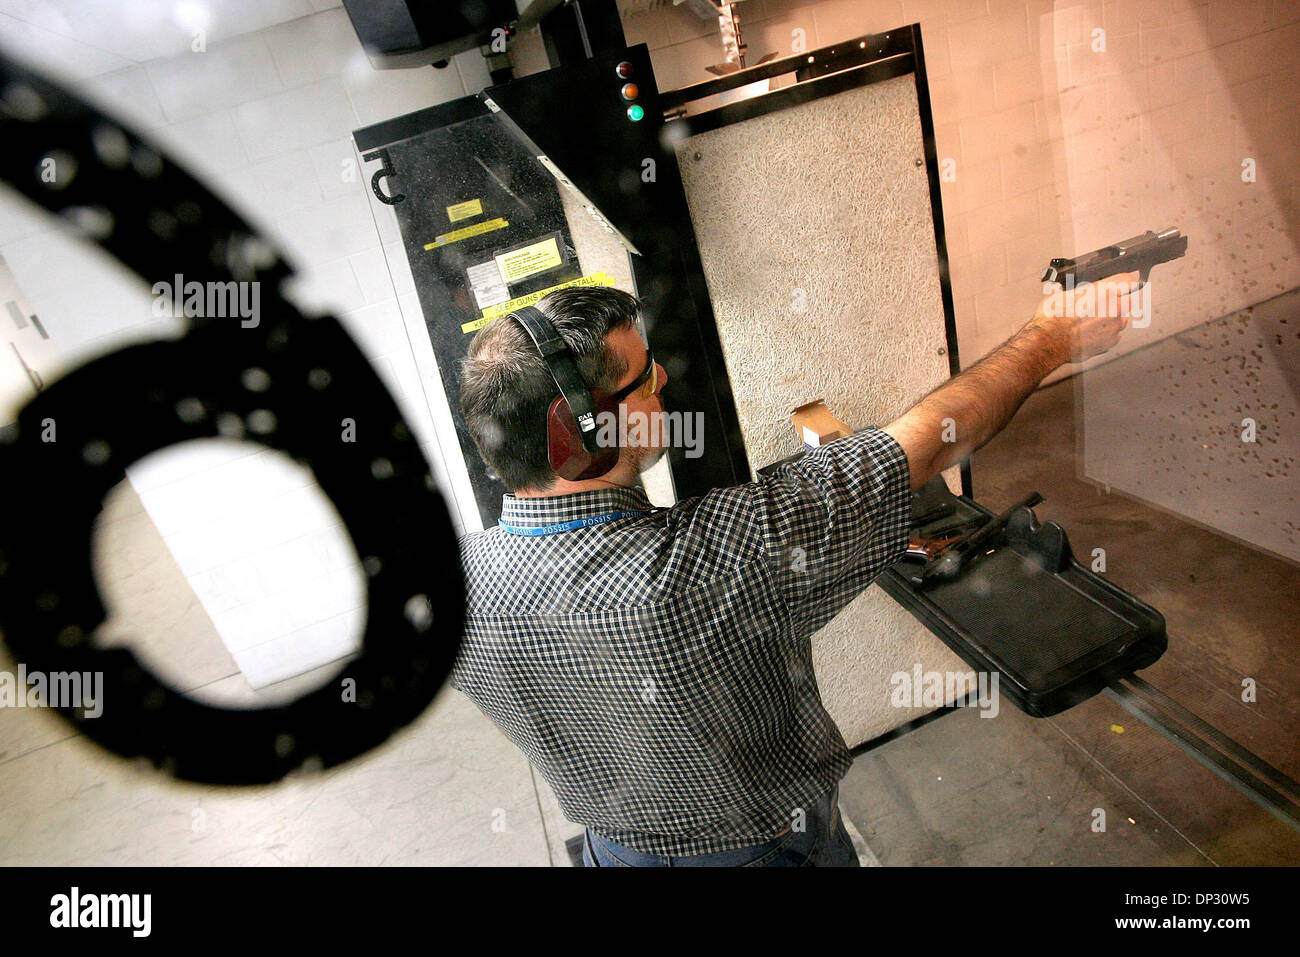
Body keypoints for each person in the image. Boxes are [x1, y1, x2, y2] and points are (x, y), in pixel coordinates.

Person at [450, 272, 1141, 866]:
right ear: (587, 434)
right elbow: (921, 448)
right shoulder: (714, 558)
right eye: (643, 376)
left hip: (611, 851)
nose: (662, 378)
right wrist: (1054, 336)